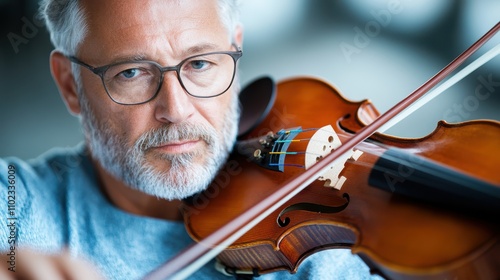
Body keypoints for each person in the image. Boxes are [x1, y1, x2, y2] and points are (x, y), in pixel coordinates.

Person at [0, 0, 382, 279]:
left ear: (235, 50)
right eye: (131, 72)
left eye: (200, 64)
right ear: (69, 84)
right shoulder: (17, 202)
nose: (176, 108)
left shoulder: (320, 226)